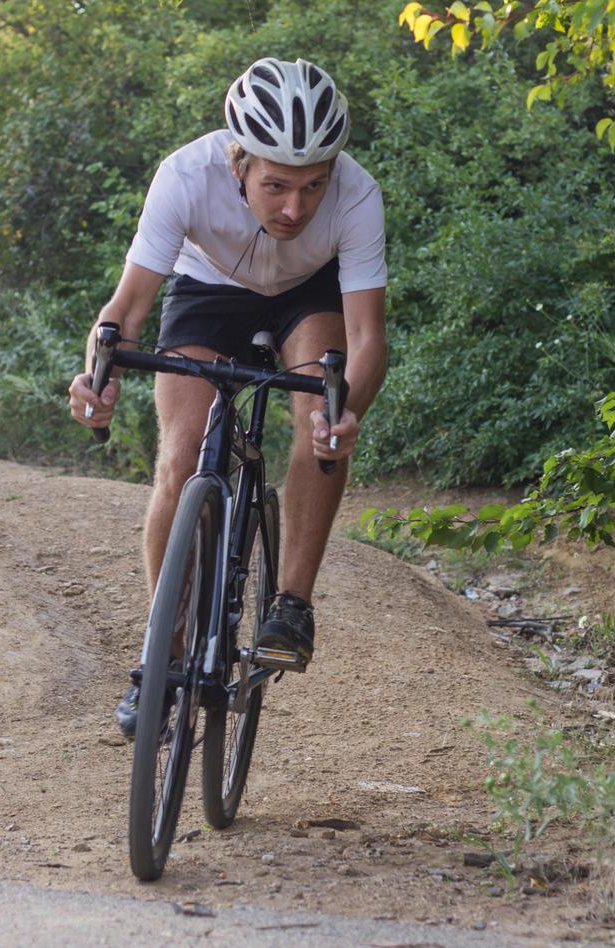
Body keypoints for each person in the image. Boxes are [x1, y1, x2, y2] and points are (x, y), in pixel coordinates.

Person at [68, 58, 388, 738]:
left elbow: (365, 337)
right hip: (207, 291)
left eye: (312, 187)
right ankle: (164, 659)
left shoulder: (358, 195)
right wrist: (98, 376)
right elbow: (126, 307)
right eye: (275, 186)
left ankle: (291, 605)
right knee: (181, 454)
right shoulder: (185, 176)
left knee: (318, 417)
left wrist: (345, 408)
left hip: (308, 297)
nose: (295, 208)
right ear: (237, 161)